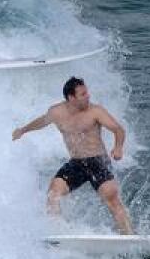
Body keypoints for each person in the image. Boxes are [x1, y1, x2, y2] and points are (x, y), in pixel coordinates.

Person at [12, 76, 135, 234]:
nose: (88, 96)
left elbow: (118, 129)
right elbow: (42, 121)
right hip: (76, 163)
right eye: (83, 94)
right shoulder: (56, 112)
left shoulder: (95, 111)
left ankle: (129, 235)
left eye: (87, 92)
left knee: (111, 199)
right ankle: (57, 232)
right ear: (71, 97)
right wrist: (23, 130)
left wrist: (118, 148)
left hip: (98, 161)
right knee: (53, 194)